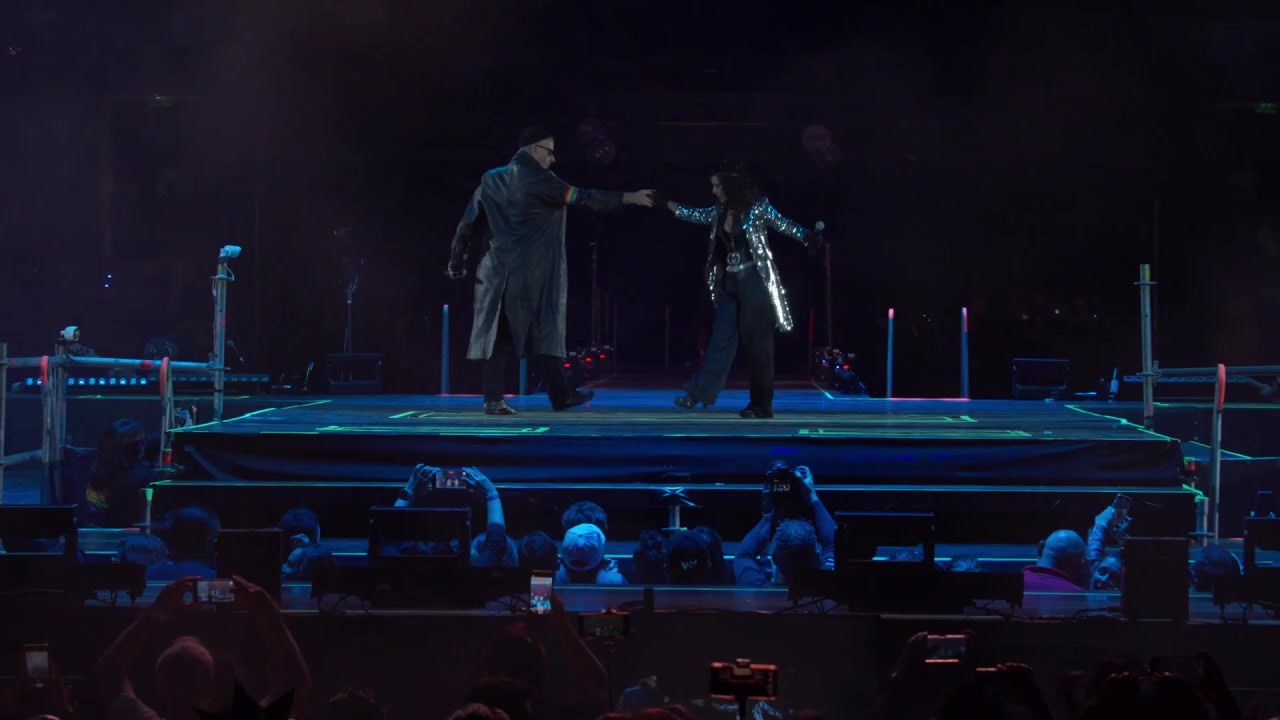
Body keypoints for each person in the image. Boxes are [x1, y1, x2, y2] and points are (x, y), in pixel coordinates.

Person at [447, 126, 656, 415]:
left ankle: (538, 396)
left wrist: (456, 261)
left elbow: (468, 223)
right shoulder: (539, 180)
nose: (552, 159)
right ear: (534, 149)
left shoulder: (491, 179)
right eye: (549, 152)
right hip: (531, 273)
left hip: (496, 271)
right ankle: (548, 396)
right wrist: (630, 197)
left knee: (506, 334)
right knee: (541, 330)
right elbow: (583, 197)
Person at [663, 163, 823, 418]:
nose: (714, 191)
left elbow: (783, 224)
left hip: (754, 283)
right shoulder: (719, 212)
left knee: (758, 345)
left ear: (731, 186)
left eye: (717, 186)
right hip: (729, 283)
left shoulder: (758, 208)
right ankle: (698, 393)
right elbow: (693, 214)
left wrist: (807, 236)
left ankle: (761, 405)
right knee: (720, 339)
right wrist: (665, 203)